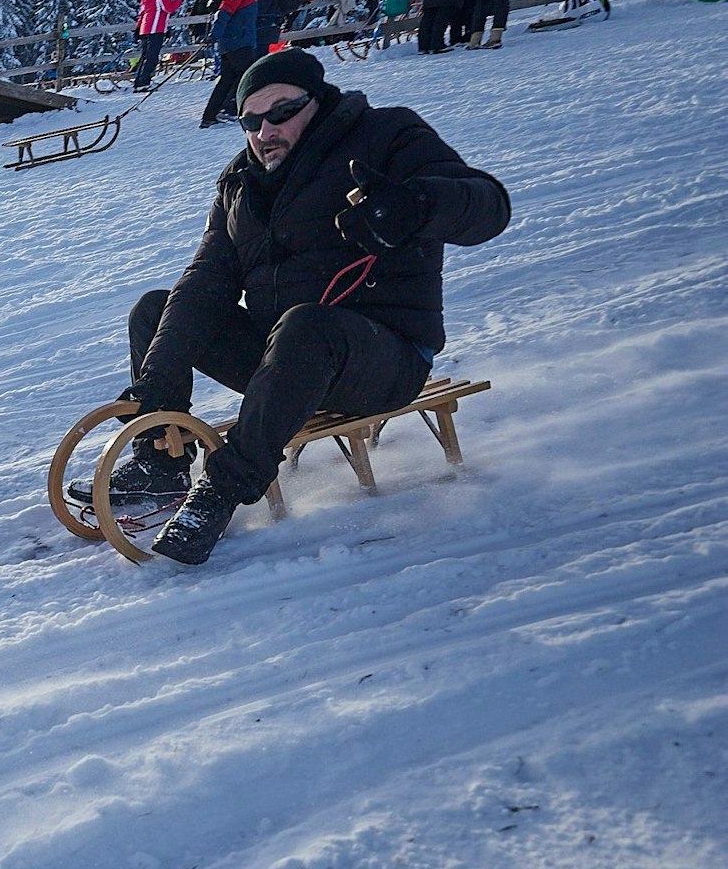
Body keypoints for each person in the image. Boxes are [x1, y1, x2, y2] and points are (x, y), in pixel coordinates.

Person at [73, 49, 510, 564]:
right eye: (250, 121)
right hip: (285, 362)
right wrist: (156, 379)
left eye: (281, 112)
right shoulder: (241, 182)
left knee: (305, 326)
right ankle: (161, 463)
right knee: (157, 309)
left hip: (382, 361)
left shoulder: (386, 135)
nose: (265, 131)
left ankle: (221, 491)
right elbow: (206, 281)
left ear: (317, 101)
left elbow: (489, 206)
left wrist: (416, 206)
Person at [201, 0, 266, 127]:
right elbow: (225, 11)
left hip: (238, 38)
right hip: (237, 40)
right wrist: (215, 34)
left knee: (228, 79)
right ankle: (229, 109)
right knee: (248, 74)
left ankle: (210, 116)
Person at [135, 0, 186, 92]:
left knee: (145, 56)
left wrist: (139, 27)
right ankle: (144, 82)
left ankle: (139, 81)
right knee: (152, 57)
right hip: (156, 27)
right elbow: (168, 8)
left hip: (146, 27)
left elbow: (143, 11)